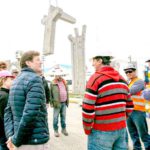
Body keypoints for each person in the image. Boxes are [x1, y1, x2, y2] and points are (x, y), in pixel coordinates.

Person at [82, 54, 134, 150]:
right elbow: (130, 106)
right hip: (121, 130)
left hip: (101, 131)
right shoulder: (122, 79)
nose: (92, 64)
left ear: (100, 60)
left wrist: (87, 128)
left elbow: (87, 108)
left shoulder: (95, 78)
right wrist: (119, 121)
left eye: (93, 61)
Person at [4, 50, 49, 150]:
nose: (40, 62)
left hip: (20, 140)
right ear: (28, 63)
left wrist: (11, 137)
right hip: (34, 141)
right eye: (37, 60)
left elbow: (8, 112)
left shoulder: (16, 81)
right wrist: (15, 140)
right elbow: (30, 113)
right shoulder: (35, 79)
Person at [124, 63, 150, 150]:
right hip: (129, 111)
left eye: (130, 71)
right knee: (132, 133)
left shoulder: (139, 81)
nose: (128, 73)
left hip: (138, 111)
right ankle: (137, 148)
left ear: (135, 71)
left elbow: (130, 91)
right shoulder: (128, 82)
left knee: (143, 133)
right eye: (126, 72)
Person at [51, 70, 69, 137]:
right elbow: (51, 94)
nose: (58, 76)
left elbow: (66, 91)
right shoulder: (53, 83)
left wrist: (67, 100)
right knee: (55, 117)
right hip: (57, 103)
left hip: (64, 102)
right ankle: (56, 130)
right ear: (55, 76)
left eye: (59, 75)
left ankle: (63, 129)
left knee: (63, 117)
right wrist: (51, 102)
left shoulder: (64, 82)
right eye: (57, 75)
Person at [0, 70, 14, 150]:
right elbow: (5, 118)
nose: (13, 81)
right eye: (11, 79)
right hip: (4, 133)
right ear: (4, 80)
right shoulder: (4, 96)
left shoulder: (4, 93)